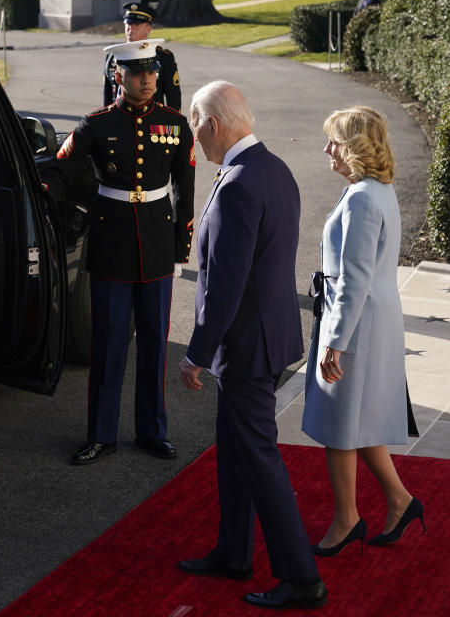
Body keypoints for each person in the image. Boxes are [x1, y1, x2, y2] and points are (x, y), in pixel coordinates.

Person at [177, 81, 326, 610]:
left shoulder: (239, 182)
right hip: (265, 337)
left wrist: (196, 352)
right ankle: (233, 552)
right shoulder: (274, 167)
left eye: (195, 124)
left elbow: (226, 284)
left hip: (245, 346)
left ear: (212, 124)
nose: (193, 137)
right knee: (236, 452)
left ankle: (301, 577)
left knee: (259, 457)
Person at [53, 39, 194, 465]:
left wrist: (180, 244)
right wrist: (85, 210)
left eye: (151, 72)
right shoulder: (95, 124)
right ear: (119, 76)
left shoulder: (174, 123)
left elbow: (185, 191)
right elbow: (62, 170)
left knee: (154, 343)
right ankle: (101, 434)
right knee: (109, 342)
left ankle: (153, 432)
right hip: (112, 239)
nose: (147, 80)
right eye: (137, 73)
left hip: (154, 241)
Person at [302, 106, 424, 555]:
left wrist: (334, 343)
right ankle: (400, 501)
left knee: (340, 428)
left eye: (334, 141)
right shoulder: (376, 189)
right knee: (360, 423)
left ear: (354, 148)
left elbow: (354, 278)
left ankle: (346, 521)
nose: (326, 149)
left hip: (356, 323)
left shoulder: (360, 197)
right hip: (371, 317)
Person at [103, 2, 180, 111]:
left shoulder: (163, 57)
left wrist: (175, 124)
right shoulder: (112, 56)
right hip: (118, 121)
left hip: (153, 121)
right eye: (128, 24)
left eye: (137, 25)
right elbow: (108, 95)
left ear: (148, 28)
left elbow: (173, 97)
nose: (131, 28)